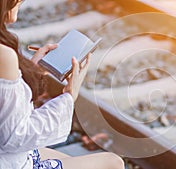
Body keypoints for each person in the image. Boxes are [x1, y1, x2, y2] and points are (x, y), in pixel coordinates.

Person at [0, 0, 125, 168]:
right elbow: (15, 137)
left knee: (63, 157)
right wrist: (69, 96)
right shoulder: (4, 55)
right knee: (113, 162)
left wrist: (31, 73)